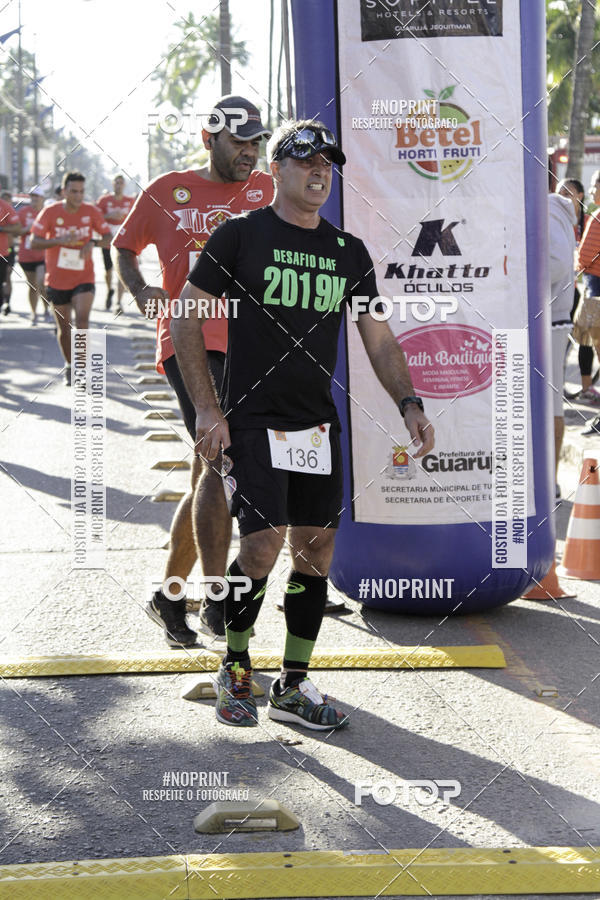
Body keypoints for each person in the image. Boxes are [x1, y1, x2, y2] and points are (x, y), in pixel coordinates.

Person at [171, 120, 435, 730]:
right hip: (254, 418)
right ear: (277, 171)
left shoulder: (348, 253)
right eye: (306, 160)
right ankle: (235, 667)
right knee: (262, 548)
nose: (320, 171)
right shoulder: (241, 236)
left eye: (327, 164)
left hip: (316, 424)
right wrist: (208, 408)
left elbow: (379, 338)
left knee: (316, 552)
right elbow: (185, 319)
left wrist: (410, 402)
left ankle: (292, 683)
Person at [114, 95, 273, 648]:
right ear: (209, 140)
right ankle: (215, 601)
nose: (248, 153)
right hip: (189, 340)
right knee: (223, 460)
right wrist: (140, 290)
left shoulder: (269, 191)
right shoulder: (166, 191)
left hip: (253, 346)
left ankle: (169, 594)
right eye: (238, 142)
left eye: (256, 142)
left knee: (208, 475)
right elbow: (124, 248)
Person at [30, 171, 112, 385]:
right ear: (64, 191)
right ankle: (70, 364)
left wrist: (92, 242)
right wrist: (58, 240)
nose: (78, 196)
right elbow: (34, 241)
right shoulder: (50, 213)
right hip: (57, 279)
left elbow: (108, 238)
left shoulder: (91, 211)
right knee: (64, 329)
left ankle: (82, 369)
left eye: (82, 192)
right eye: (74, 191)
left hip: (84, 277)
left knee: (82, 320)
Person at [548, 186, 577, 486]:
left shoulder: (548, 207)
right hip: (545, 317)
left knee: (550, 403)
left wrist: (515, 275)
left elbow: (556, 264)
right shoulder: (550, 207)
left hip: (550, 319)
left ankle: (550, 482)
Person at [574, 170, 600, 432]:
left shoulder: (597, 216)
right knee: (586, 343)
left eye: (595, 186)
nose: (592, 191)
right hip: (592, 288)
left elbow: (586, 257)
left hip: (595, 291)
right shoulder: (596, 215)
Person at [96, 175, 135, 312]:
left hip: (123, 241)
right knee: (108, 272)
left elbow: (136, 219)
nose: (118, 185)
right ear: (113, 184)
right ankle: (109, 290)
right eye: (116, 182)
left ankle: (118, 303)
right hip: (107, 240)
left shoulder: (130, 201)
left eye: (121, 183)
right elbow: (94, 217)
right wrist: (109, 216)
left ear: (124, 185)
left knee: (121, 271)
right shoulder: (104, 200)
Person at [16, 187, 48, 325]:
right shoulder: (23, 212)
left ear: (42, 198)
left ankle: (46, 310)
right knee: (32, 286)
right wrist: (28, 229)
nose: (34, 199)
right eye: (32, 196)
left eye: (37, 196)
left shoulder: (47, 212)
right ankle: (34, 313)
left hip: (43, 255)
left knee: (42, 283)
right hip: (26, 255)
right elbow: (16, 231)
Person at [0, 193, 20, 315]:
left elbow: (18, 228)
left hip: (6, 251)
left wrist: (2, 229)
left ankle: (7, 301)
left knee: (7, 276)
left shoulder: (6, 208)